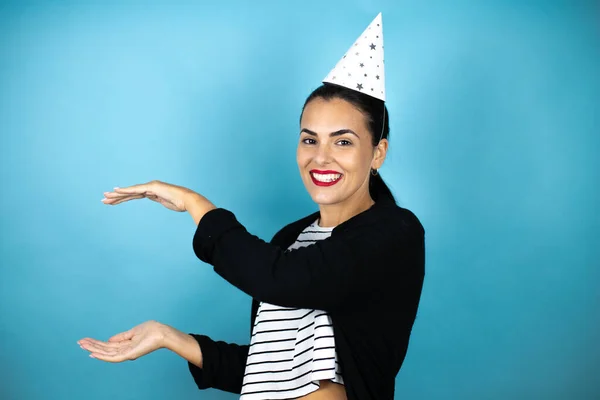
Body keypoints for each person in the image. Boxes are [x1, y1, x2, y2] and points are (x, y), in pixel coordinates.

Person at [78, 13, 425, 400]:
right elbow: (270, 366)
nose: (321, 157)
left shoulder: (394, 232)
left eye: (342, 142)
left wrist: (197, 205)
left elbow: (285, 280)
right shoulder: (291, 238)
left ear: (377, 154)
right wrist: (169, 337)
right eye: (309, 140)